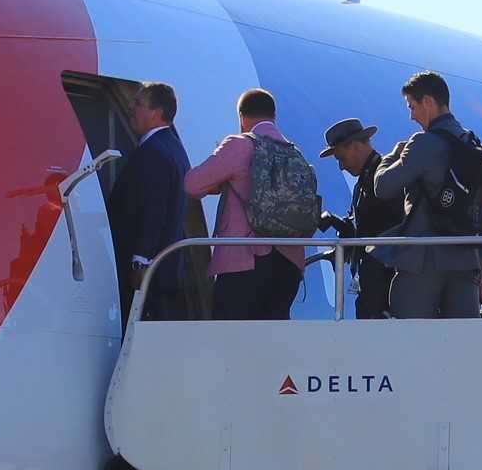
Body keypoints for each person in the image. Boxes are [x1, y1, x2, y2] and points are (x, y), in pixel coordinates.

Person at [178, 88, 313, 321]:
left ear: (241, 117)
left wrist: (222, 182)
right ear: (273, 116)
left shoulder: (240, 145)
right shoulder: (295, 154)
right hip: (289, 264)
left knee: (231, 343)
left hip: (244, 260)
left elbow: (192, 184)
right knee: (271, 340)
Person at [370, 71, 482, 320]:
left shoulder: (423, 143)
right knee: (462, 345)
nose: (411, 116)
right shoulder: (474, 144)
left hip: (423, 261)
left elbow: (383, 187)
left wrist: (392, 156)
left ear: (428, 102)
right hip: (467, 261)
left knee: (412, 343)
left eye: (412, 107)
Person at [103, 81, 193, 319]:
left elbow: (154, 210)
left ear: (157, 113)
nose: (131, 107)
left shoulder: (154, 151)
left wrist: (140, 262)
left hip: (148, 271)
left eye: (138, 103)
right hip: (164, 268)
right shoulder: (173, 148)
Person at [315, 117, 402, 319]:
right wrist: (342, 226)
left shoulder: (384, 177)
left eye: (341, 158)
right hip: (372, 276)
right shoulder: (364, 181)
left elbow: (391, 226)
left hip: (385, 278)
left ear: (354, 146)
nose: (341, 167)